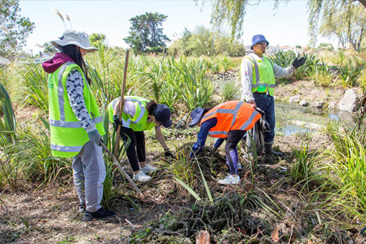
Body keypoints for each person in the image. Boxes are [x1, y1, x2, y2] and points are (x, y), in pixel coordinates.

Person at [42, 30, 115, 221]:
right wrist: (91, 129)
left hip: (67, 134)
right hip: (82, 132)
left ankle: (84, 204)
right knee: (95, 171)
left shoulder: (55, 69)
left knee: (79, 169)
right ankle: (93, 209)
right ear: (75, 48)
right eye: (83, 50)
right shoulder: (71, 70)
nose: (84, 54)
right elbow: (78, 104)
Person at [241, 34, 306, 157]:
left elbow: (281, 72)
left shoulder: (268, 61)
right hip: (256, 98)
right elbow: (246, 81)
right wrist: (250, 99)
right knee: (253, 127)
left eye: (265, 43)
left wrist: (293, 67)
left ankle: (268, 150)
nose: (264, 45)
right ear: (254, 46)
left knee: (270, 124)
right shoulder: (248, 60)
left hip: (268, 98)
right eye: (261, 43)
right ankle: (250, 153)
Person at [189, 101, 262, 184]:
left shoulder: (206, 120)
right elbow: (224, 137)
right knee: (230, 143)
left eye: (196, 124)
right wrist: (215, 148)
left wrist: (191, 157)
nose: (198, 125)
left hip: (241, 115)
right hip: (244, 112)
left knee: (229, 147)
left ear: (198, 120)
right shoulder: (213, 115)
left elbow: (199, 144)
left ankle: (234, 177)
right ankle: (236, 165)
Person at [107, 96, 174, 182]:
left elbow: (159, 135)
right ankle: (136, 173)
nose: (160, 124)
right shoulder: (136, 110)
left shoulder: (156, 116)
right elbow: (121, 100)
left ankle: (143, 166)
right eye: (161, 122)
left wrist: (166, 150)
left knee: (140, 137)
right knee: (130, 141)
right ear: (154, 117)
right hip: (118, 112)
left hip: (130, 118)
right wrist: (115, 116)